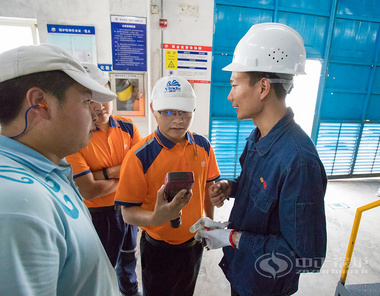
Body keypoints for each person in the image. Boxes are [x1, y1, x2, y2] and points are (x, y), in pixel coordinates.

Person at [191, 23, 327, 296]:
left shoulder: (299, 162)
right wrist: (232, 187)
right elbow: (263, 189)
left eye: (234, 84)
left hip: (266, 285)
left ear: (263, 87)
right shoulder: (259, 137)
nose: (230, 96)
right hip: (243, 272)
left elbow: (305, 256)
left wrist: (232, 237)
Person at [0, 44, 119, 295]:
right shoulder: (19, 206)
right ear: (40, 103)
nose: (95, 116)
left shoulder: (47, 169)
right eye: (87, 101)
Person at [115, 75, 221, 296]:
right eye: (169, 112)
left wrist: (209, 223)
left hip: (193, 244)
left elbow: (207, 187)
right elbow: (127, 213)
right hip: (158, 248)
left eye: (184, 111)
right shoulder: (140, 157)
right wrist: (156, 218)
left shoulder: (203, 146)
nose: (178, 120)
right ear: (154, 109)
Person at [65, 64, 143, 296]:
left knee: (129, 257)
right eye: (90, 100)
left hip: (128, 206)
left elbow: (142, 171)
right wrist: (125, 174)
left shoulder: (128, 127)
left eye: (103, 97)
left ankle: (130, 290)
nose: (99, 107)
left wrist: (104, 174)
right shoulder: (75, 137)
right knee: (102, 263)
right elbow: (89, 190)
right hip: (99, 215)